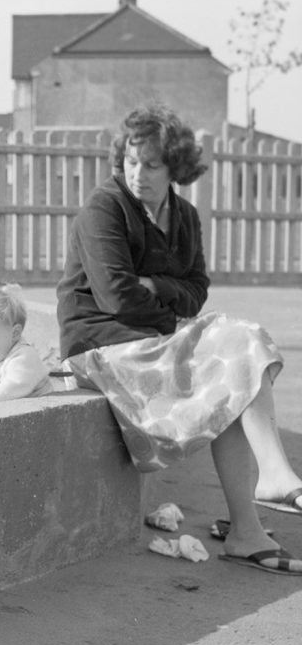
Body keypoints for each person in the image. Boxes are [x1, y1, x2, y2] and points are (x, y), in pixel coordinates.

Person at [56, 101, 302, 576]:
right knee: (234, 347)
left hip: (150, 339)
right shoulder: (104, 207)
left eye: (151, 164)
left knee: (240, 356)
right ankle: (266, 490)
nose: (138, 173)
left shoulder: (184, 216)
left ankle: (249, 525)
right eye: (130, 161)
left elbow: (196, 291)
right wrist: (169, 301)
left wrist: (159, 287)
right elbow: (116, 297)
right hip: (102, 347)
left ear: (175, 167)